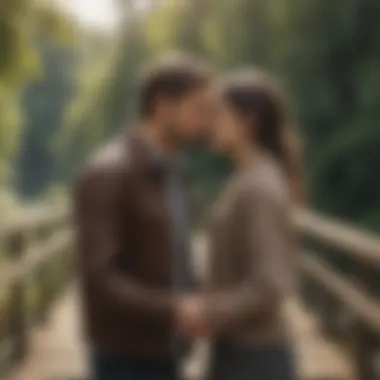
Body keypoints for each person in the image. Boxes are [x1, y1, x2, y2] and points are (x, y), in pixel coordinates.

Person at [74, 53, 215, 380]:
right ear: (163, 105)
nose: (206, 123)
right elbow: (99, 280)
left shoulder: (174, 168)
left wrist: (197, 292)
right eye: (198, 110)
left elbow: (173, 251)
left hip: (167, 349)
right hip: (127, 360)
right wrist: (175, 308)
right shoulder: (107, 173)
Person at [177, 70, 304, 380]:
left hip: (255, 359)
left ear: (248, 120)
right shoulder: (247, 178)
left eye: (219, 114)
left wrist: (208, 312)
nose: (210, 124)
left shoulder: (257, 185)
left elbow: (271, 284)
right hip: (242, 352)